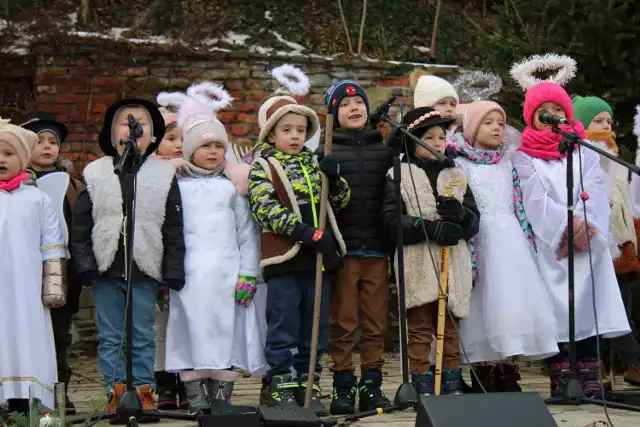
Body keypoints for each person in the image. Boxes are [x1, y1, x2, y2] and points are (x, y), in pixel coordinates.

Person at [512, 80, 630, 397]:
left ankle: (590, 368)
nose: (552, 117)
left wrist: (586, 225)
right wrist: (564, 228)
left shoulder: (584, 151)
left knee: (587, 303)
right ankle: (562, 369)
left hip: (586, 245)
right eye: (543, 112)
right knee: (555, 306)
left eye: (557, 111)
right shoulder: (525, 157)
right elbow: (534, 199)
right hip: (552, 247)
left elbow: (594, 189)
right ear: (531, 117)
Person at [71, 99, 185, 420]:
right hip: (106, 269)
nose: (133, 127)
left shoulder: (162, 175)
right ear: (111, 133)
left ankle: (144, 393)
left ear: (151, 135)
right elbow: (81, 226)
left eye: (142, 123)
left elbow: (173, 226)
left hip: (144, 268)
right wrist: (85, 265)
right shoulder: (95, 173)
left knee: (142, 335)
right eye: (125, 122)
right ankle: (117, 392)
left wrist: (172, 270)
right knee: (111, 336)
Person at [163, 84, 264, 415]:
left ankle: (222, 400)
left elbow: (247, 233)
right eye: (205, 145)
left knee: (226, 336)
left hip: (226, 277)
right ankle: (195, 398)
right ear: (190, 150)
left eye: (219, 146)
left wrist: (248, 273)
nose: (213, 152)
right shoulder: (175, 188)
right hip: (188, 277)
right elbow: (169, 234)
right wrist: (167, 274)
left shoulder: (231, 189)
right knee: (188, 334)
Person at [248, 93, 350, 415]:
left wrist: (335, 179)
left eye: (300, 130)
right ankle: (279, 383)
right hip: (285, 258)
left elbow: (340, 201)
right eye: (287, 130)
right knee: (284, 323)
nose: (295, 136)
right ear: (271, 134)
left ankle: (309, 383)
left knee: (315, 327)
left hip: (318, 259)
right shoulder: (263, 165)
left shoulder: (315, 163)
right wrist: (304, 232)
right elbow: (264, 208)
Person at [450, 101, 558, 393]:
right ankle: (481, 371)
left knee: (511, 302)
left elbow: (520, 205)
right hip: (478, 239)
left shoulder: (508, 163)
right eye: (488, 122)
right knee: (479, 305)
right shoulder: (459, 163)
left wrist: (527, 242)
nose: (497, 127)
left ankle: (508, 368)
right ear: (472, 128)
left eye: (500, 122)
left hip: (510, 241)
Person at [383, 107, 480, 395]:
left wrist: (460, 216)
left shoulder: (455, 174)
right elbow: (391, 221)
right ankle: (422, 382)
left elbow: (474, 221)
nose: (438, 143)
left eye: (442, 137)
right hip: (419, 262)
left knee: (451, 327)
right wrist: (429, 228)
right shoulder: (399, 174)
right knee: (421, 327)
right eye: (430, 137)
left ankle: (450, 381)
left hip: (453, 263)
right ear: (412, 140)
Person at [318, 80, 393, 414]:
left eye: (359, 103)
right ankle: (343, 385)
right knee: (344, 321)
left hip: (377, 248)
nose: (353, 108)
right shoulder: (326, 151)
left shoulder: (385, 150)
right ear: (333, 114)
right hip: (344, 251)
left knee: (376, 322)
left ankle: (372, 384)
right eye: (345, 105)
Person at [573, 95, 640, 386]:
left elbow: (627, 201)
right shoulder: (577, 156)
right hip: (591, 238)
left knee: (621, 306)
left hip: (619, 242)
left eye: (608, 121)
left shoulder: (617, 157)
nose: (605, 126)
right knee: (594, 304)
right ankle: (598, 365)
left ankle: (629, 365)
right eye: (597, 121)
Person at [0, 118, 67, 414]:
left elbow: (52, 245)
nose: (1, 159)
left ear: (23, 159)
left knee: (28, 338)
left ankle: (29, 402)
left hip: (27, 291)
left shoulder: (37, 199)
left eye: (9, 153)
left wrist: (53, 287)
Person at [22, 111, 82, 414]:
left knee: (60, 336)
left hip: (65, 273)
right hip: (25, 272)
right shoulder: (18, 186)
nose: (47, 147)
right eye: (39, 141)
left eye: (52, 141)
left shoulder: (73, 186)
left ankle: (60, 392)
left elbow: (81, 228)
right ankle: (28, 391)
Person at [150, 107, 187, 410]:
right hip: (157, 259)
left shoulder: (193, 173)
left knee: (185, 323)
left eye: (182, 139)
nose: (178, 145)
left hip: (187, 259)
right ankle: (164, 383)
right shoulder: (148, 175)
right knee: (160, 325)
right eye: (170, 138)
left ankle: (187, 378)